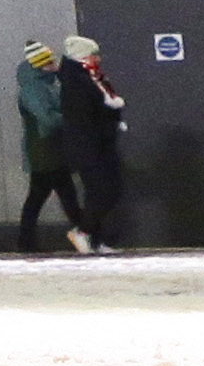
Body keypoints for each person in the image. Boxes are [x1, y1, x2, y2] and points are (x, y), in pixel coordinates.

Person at [52, 35, 126, 251]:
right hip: (89, 147)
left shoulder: (92, 77)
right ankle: (84, 232)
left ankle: (96, 238)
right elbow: (85, 115)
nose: (98, 59)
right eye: (94, 55)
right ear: (83, 56)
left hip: (100, 145)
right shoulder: (77, 82)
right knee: (101, 191)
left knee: (107, 190)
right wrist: (109, 115)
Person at [12, 40, 85, 254]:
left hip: (49, 150)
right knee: (60, 195)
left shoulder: (44, 86)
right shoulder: (34, 89)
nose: (55, 65)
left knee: (43, 196)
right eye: (49, 62)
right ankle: (86, 234)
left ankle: (27, 242)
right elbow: (47, 119)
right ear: (40, 65)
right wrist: (71, 118)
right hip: (45, 150)